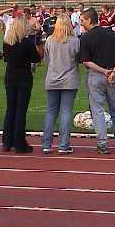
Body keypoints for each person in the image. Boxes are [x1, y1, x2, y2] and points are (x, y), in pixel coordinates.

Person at [80, 8, 115, 154]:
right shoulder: (111, 33)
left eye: (82, 20)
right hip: (112, 75)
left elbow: (86, 61)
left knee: (98, 110)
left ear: (89, 20)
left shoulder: (86, 37)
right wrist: (114, 71)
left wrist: (103, 71)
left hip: (96, 76)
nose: (81, 23)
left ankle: (102, 143)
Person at [41, 14, 80, 155]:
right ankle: (63, 145)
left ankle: (47, 143)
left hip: (52, 78)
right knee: (66, 111)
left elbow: (46, 60)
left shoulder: (50, 40)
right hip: (69, 79)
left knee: (51, 111)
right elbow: (78, 58)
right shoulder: (74, 41)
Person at [2, 17, 41, 153]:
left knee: (10, 109)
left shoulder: (7, 42)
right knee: (20, 111)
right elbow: (36, 58)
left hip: (10, 76)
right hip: (23, 77)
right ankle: (19, 143)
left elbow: (6, 58)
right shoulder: (27, 43)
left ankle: (7, 141)